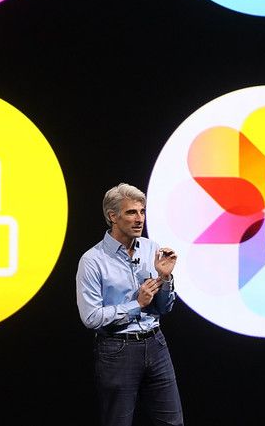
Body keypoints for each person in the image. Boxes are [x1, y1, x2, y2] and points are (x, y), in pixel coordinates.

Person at [76, 183, 184, 426]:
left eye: (142, 212)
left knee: (172, 422)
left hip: (156, 344)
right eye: (131, 212)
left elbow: (164, 308)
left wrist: (166, 278)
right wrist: (136, 304)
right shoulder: (92, 260)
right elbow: (91, 317)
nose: (139, 219)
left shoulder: (151, 248)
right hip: (117, 349)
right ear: (112, 216)